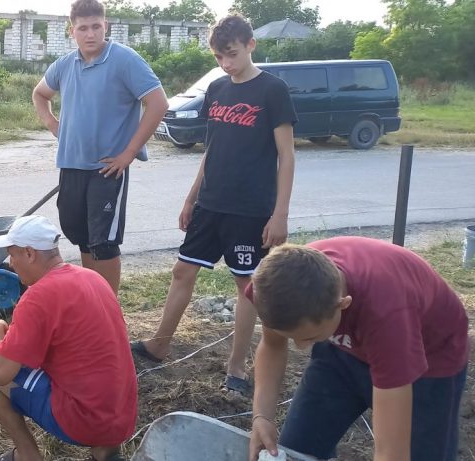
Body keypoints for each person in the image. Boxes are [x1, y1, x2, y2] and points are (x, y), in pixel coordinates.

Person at [130, 14, 296, 396]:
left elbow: (286, 156)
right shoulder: (218, 89)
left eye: (233, 54)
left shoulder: (273, 90)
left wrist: (280, 214)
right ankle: (159, 344)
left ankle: (236, 366)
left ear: (250, 44)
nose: (227, 63)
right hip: (210, 203)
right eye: (220, 57)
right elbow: (211, 149)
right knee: (181, 272)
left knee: (247, 286)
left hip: (251, 209)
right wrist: (191, 197)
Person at [246, 237, 469, 461]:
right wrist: (262, 416)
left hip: (429, 358)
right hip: (341, 349)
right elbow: (272, 345)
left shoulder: (387, 315)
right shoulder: (275, 289)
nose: (301, 347)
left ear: (343, 304)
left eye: (310, 337)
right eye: (293, 337)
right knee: (297, 448)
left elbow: (393, 453)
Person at [31, 0, 169, 295]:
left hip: (108, 168)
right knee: (82, 236)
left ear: (106, 26)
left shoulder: (124, 59)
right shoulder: (65, 65)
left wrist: (129, 152)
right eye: (83, 28)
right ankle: (92, 303)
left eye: (96, 26)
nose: (90, 33)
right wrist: (53, 124)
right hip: (71, 165)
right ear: (73, 31)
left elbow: (158, 104)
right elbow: (40, 94)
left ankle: (108, 313)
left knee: (104, 243)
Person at [0, 216, 136, 461]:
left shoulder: (37, 296)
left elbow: (1, 372)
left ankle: (26, 455)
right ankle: (105, 452)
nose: (11, 264)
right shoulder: (92, 278)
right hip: (122, 416)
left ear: (30, 253)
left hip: (83, 421)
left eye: (12, 255)